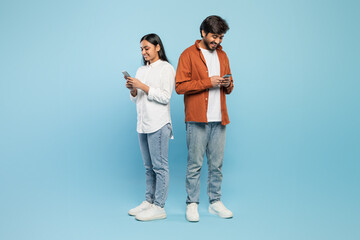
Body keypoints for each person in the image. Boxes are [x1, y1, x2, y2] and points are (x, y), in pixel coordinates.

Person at [175, 15, 234, 222]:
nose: (217, 41)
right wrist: (207, 82)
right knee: (195, 164)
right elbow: (180, 87)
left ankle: (215, 202)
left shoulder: (223, 56)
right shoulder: (188, 54)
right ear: (203, 33)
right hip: (197, 119)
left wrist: (227, 84)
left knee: (217, 165)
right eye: (214, 36)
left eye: (221, 37)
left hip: (220, 119)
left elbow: (230, 84)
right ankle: (192, 203)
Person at [125, 33, 175, 221]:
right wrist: (133, 88)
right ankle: (148, 201)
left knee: (160, 167)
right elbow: (136, 98)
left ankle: (159, 206)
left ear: (157, 47)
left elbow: (165, 97)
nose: (144, 52)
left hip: (159, 123)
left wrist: (142, 86)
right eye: (142, 49)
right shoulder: (141, 70)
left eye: (147, 48)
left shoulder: (167, 68)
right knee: (148, 167)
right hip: (143, 124)